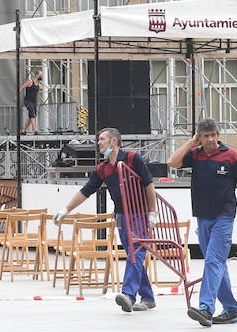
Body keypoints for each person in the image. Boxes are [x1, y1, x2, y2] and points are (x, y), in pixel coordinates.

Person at [53, 127, 158, 313]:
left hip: (139, 213)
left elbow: (149, 184)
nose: (99, 143)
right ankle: (148, 297)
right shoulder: (103, 168)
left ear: (113, 141)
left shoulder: (132, 159)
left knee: (136, 253)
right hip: (121, 215)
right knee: (134, 254)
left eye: (102, 139)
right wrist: (66, 209)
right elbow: (86, 190)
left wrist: (152, 212)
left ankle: (128, 294)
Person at [167, 119, 237, 328]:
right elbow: (172, 162)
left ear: (218, 135)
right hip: (203, 217)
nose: (210, 140)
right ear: (199, 137)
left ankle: (206, 308)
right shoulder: (195, 155)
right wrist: (191, 143)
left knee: (213, 262)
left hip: (224, 217)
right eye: (205, 136)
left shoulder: (231, 156)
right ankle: (231, 309)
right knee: (217, 263)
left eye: (213, 135)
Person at [21, 69, 42, 134]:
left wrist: (37, 101)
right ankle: (35, 130)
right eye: (41, 75)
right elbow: (22, 87)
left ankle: (23, 130)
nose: (42, 76)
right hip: (28, 101)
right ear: (37, 75)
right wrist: (17, 95)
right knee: (32, 115)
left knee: (31, 116)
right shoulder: (30, 81)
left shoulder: (38, 84)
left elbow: (37, 93)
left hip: (34, 101)